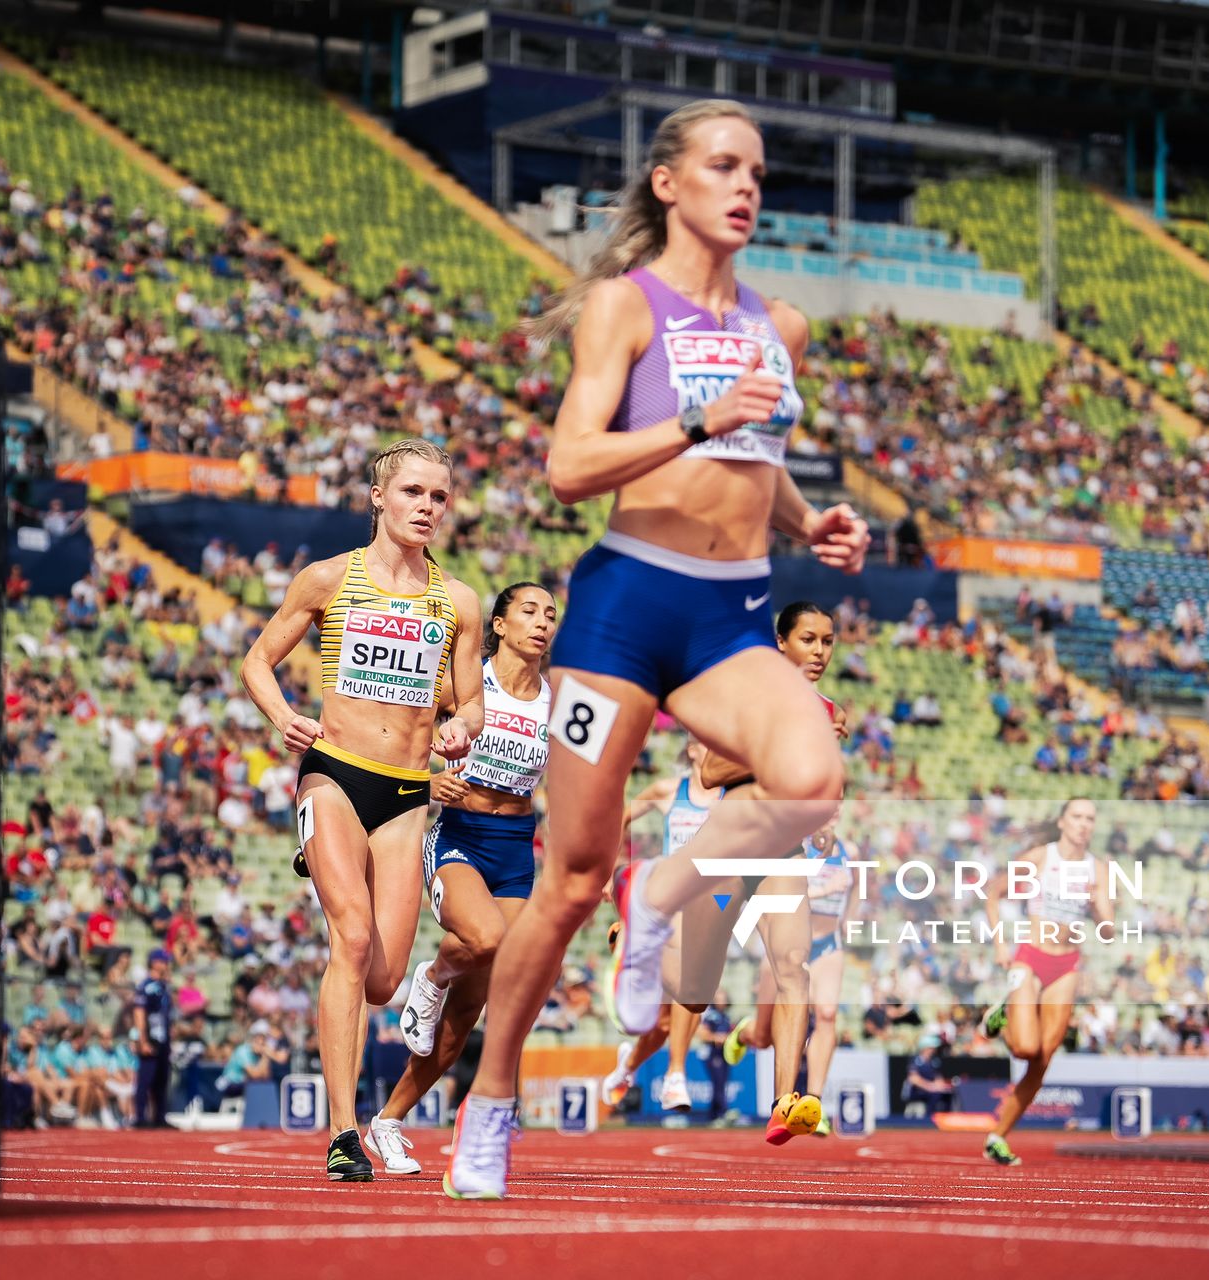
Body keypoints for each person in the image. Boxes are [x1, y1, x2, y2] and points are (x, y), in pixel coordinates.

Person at [444, 98, 867, 1201]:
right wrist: (698, 417)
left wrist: (805, 520)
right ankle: (491, 1101)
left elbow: (757, 464)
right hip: (628, 602)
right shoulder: (623, 309)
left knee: (813, 777)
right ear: (670, 184)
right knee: (573, 875)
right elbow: (570, 466)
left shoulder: (785, 323)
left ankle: (666, 898)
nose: (747, 186)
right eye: (724, 166)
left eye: (760, 172)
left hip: (732, 611)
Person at [241, 439, 484, 1182]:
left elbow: (469, 697)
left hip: (408, 793)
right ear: (379, 497)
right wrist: (282, 714)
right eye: (413, 492)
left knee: (382, 981)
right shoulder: (328, 579)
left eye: (439, 497)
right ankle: (345, 1132)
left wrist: (462, 726)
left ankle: (358, 1101)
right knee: (349, 936)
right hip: (336, 774)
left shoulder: (459, 601)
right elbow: (256, 659)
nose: (427, 508)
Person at [364, 583, 558, 1176]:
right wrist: (425, 783)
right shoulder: (464, 682)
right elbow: (389, 739)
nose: (541, 623)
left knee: (472, 1009)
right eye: (528, 612)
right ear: (497, 624)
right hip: (459, 837)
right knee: (487, 938)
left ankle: (389, 1120)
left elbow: (587, 776)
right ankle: (432, 972)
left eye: (551, 615)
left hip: (516, 850)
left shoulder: (560, 697)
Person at [718, 602, 852, 1140]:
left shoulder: (829, 711)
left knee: (792, 967)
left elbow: (826, 785)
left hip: (782, 849)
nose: (819, 651)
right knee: (690, 990)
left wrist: (822, 816)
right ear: (781, 642)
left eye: (827, 641)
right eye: (808, 639)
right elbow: (711, 768)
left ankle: (784, 1104)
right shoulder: (749, 693)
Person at [978, 798, 1114, 1165]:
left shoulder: (1097, 869)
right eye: (1077, 817)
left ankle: (997, 1137)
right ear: (1062, 821)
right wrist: (1000, 944)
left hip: (1066, 964)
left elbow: (1108, 930)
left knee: (1042, 1058)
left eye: (1090, 818)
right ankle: (1003, 1013)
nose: (1084, 824)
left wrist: (1098, 906)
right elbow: (993, 893)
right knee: (1023, 1047)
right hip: (1031, 957)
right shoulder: (1042, 857)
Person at [600, 737, 723, 1115]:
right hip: (673, 901)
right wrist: (610, 870)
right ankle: (675, 1075)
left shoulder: (730, 799)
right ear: (691, 749)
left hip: (712, 904)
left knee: (666, 1022)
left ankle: (627, 1067)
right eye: (706, 744)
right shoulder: (670, 791)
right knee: (691, 983)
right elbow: (621, 815)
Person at [132, 948, 174, 1129]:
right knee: (145, 1079)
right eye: (163, 961)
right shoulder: (147, 986)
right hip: (151, 1037)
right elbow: (139, 1013)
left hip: (163, 1039)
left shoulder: (163, 986)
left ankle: (160, 1117)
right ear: (155, 962)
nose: (166, 965)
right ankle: (140, 1117)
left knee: (162, 1080)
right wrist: (143, 1040)